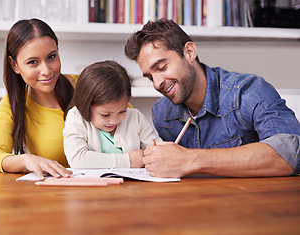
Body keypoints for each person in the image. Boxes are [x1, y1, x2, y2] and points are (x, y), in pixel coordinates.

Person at [124, 18, 300, 178]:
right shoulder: (162, 113)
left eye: (161, 67)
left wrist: (188, 159)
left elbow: (291, 154)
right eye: (149, 77)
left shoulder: (248, 92)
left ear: (190, 52)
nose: (157, 84)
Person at [0, 18, 75, 180]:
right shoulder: (12, 104)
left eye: (51, 56)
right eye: (33, 62)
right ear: (14, 66)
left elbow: (132, 121)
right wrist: (26, 159)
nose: (46, 70)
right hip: (53, 195)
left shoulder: (87, 85)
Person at [63, 60, 160, 169]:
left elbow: (157, 149)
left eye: (122, 111)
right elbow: (77, 160)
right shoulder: (76, 117)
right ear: (86, 106)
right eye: (105, 115)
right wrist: (128, 161)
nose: (114, 121)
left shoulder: (135, 117)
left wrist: (157, 154)